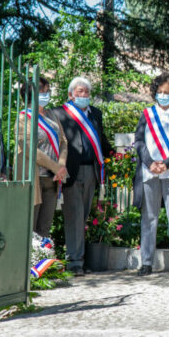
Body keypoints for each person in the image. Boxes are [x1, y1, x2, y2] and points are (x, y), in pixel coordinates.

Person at [132, 73, 169, 277]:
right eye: (159, 92)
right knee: (149, 218)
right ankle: (147, 262)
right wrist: (150, 163)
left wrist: (166, 163)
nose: (163, 96)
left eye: (167, 92)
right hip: (149, 172)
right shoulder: (147, 114)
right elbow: (139, 141)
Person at [51, 76, 113, 276]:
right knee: (73, 217)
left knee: (83, 216)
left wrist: (115, 155)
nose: (84, 95)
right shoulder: (59, 113)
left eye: (86, 92)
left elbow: (100, 139)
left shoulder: (96, 113)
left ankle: (79, 258)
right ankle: (74, 262)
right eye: (80, 91)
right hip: (70, 171)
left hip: (91, 171)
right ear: (71, 94)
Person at [15, 76, 68, 238]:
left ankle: (43, 261)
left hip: (52, 179)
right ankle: (30, 262)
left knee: (45, 227)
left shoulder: (52, 115)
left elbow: (63, 141)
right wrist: (56, 167)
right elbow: (29, 148)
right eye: (44, 91)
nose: (47, 94)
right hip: (34, 177)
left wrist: (61, 164)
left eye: (47, 91)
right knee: (30, 227)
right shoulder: (23, 118)